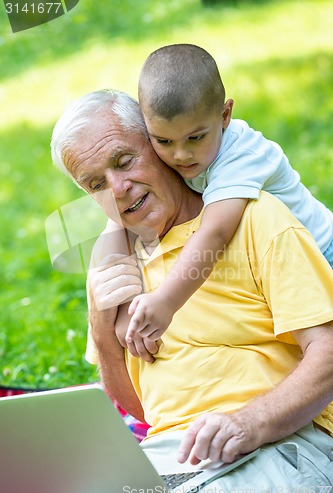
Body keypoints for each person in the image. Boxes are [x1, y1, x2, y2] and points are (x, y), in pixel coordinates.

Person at [51, 89, 333, 493]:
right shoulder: (118, 264)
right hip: (172, 459)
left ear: (159, 144)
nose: (118, 188)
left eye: (124, 161)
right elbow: (145, 409)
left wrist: (248, 423)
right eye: (96, 183)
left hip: (282, 442)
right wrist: (100, 322)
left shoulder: (256, 217)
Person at [124, 43, 333, 358]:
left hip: (322, 253)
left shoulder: (241, 156)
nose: (181, 155)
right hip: (270, 263)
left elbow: (215, 233)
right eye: (164, 141)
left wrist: (165, 301)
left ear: (224, 115)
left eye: (196, 137)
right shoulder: (184, 152)